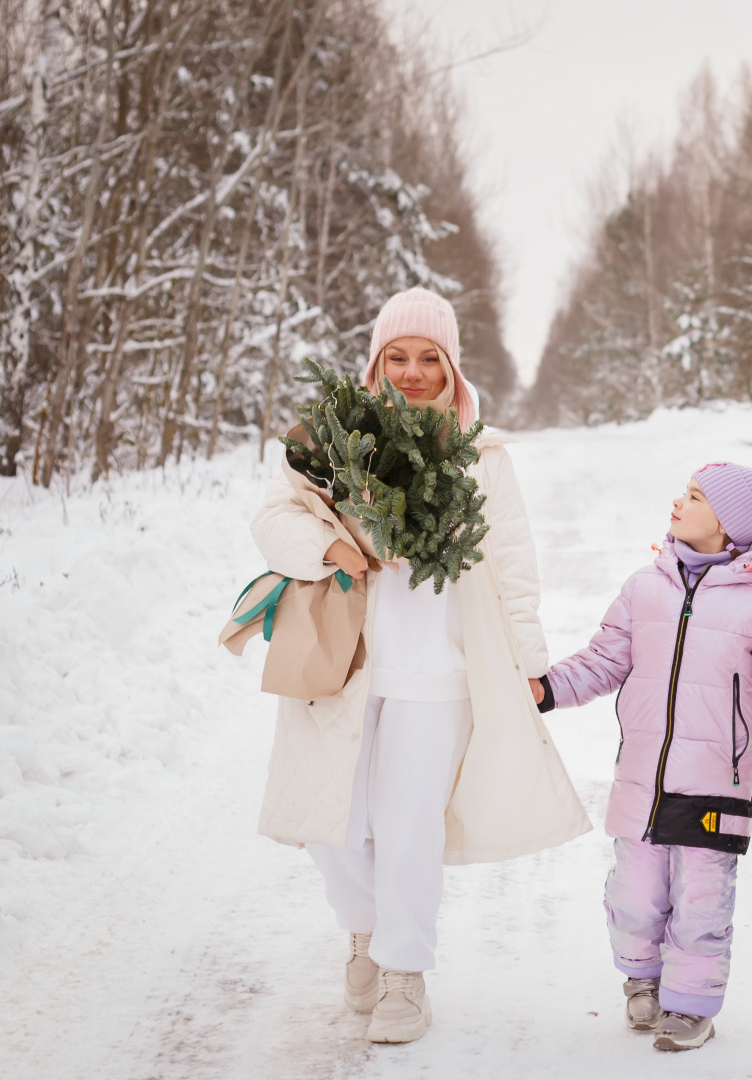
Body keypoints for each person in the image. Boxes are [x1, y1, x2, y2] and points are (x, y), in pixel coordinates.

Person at [249, 286, 590, 1044]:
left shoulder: (481, 457)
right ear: (375, 363)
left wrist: (530, 665)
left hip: (440, 673)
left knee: (409, 827)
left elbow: (512, 563)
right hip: (346, 663)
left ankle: (405, 972)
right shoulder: (337, 443)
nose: (411, 372)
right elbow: (274, 516)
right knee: (331, 823)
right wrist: (329, 546)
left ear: (451, 367)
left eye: (427, 358)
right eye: (396, 357)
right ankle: (363, 930)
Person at [538, 463, 752, 1052]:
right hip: (643, 778)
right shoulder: (644, 588)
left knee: (702, 900)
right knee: (635, 895)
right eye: (685, 491)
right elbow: (604, 661)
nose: (680, 501)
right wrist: (546, 688)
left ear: (731, 526)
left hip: (717, 782)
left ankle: (691, 1004)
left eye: (696, 497)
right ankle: (641, 977)